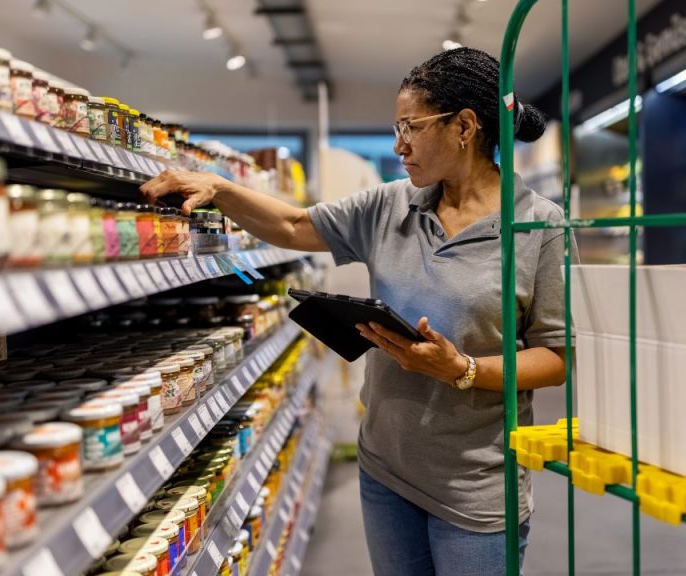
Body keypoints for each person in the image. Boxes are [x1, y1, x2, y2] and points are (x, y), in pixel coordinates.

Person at [142, 47, 568, 576]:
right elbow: (296, 226)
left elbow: (554, 358)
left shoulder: (538, 224)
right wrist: (222, 189)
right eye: (395, 127)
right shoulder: (390, 205)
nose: (399, 145)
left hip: (476, 487)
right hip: (385, 470)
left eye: (411, 127)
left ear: (464, 126)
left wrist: (464, 370)